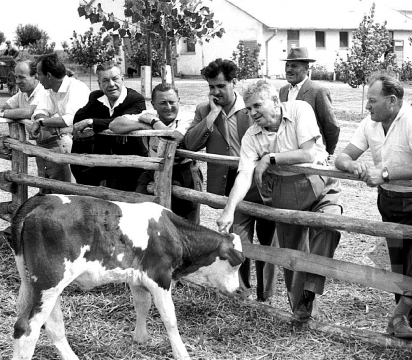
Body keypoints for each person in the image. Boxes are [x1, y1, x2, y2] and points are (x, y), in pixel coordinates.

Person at [217, 80, 342, 322]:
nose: (252, 113)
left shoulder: (300, 110)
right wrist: (229, 210)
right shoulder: (251, 136)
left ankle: (311, 289)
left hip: (320, 182)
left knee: (329, 227)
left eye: (256, 106)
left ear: (275, 102)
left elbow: (308, 152)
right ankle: (303, 313)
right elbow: (244, 176)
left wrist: (270, 158)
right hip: (286, 190)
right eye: (248, 109)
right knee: (291, 253)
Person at [335, 73, 412, 339]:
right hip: (391, 203)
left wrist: (384, 173)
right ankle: (411, 325)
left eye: (372, 101)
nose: (367, 106)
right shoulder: (370, 123)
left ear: (392, 101)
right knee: (400, 265)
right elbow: (342, 156)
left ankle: (401, 311)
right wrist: (352, 164)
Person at [184, 59, 277, 303]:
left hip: (259, 183)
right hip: (226, 186)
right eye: (211, 87)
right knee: (237, 241)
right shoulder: (204, 110)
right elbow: (190, 144)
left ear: (233, 83)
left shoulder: (252, 107)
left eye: (221, 86)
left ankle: (266, 295)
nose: (215, 92)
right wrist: (212, 116)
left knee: (268, 239)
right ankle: (242, 293)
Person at [109, 83, 202, 223]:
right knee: (141, 212)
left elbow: (172, 137)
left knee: (186, 221)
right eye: (163, 103)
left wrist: (153, 122)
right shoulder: (147, 116)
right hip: (153, 169)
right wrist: (141, 125)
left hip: (184, 171)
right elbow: (114, 125)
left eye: (172, 102)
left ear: (179, 101)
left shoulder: (188, 118)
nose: (168, 107)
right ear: (153, 104)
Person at [70, 61, 147, 191]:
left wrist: (92, 122)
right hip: (102, 163)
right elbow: (79, 117)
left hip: (131, 165)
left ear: (122, 79)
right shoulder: (96, 97)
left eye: (115, 79)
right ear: (99, 84)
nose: (111, 84)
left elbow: (119, 123)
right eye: (105, 80)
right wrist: (106, 124)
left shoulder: (135, 99)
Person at [30, 54, 90, 187]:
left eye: (39, 75)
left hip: (87, 146)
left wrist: (42, 123)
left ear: (49, 75)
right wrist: (47, 121)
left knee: (82, 186)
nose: (38, 79)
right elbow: (39, 111)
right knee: (69, 185)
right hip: (71, 142)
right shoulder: (51, 90)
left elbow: (70, 119)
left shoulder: (76, 88)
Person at [278, 47, 340, 155]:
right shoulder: (283, 91)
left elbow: (331, 126)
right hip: (288, 154)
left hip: (312, 154)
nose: (288, 70)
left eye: (294, 66)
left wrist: (327, 152)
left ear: (306, 69)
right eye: (287, 65)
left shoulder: (318, 91)